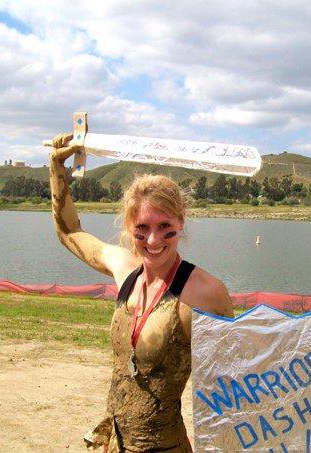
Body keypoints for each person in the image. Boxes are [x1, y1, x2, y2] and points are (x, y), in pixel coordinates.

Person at [49, 133, 234, 452]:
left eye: (165, 228)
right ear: (129, 227)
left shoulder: (204, 292)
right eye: (142, 228)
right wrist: (56, 167)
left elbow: (236, 385)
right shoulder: (125, 269)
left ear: (181, 221)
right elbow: (70, 232)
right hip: (114, 443)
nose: (153, 240)